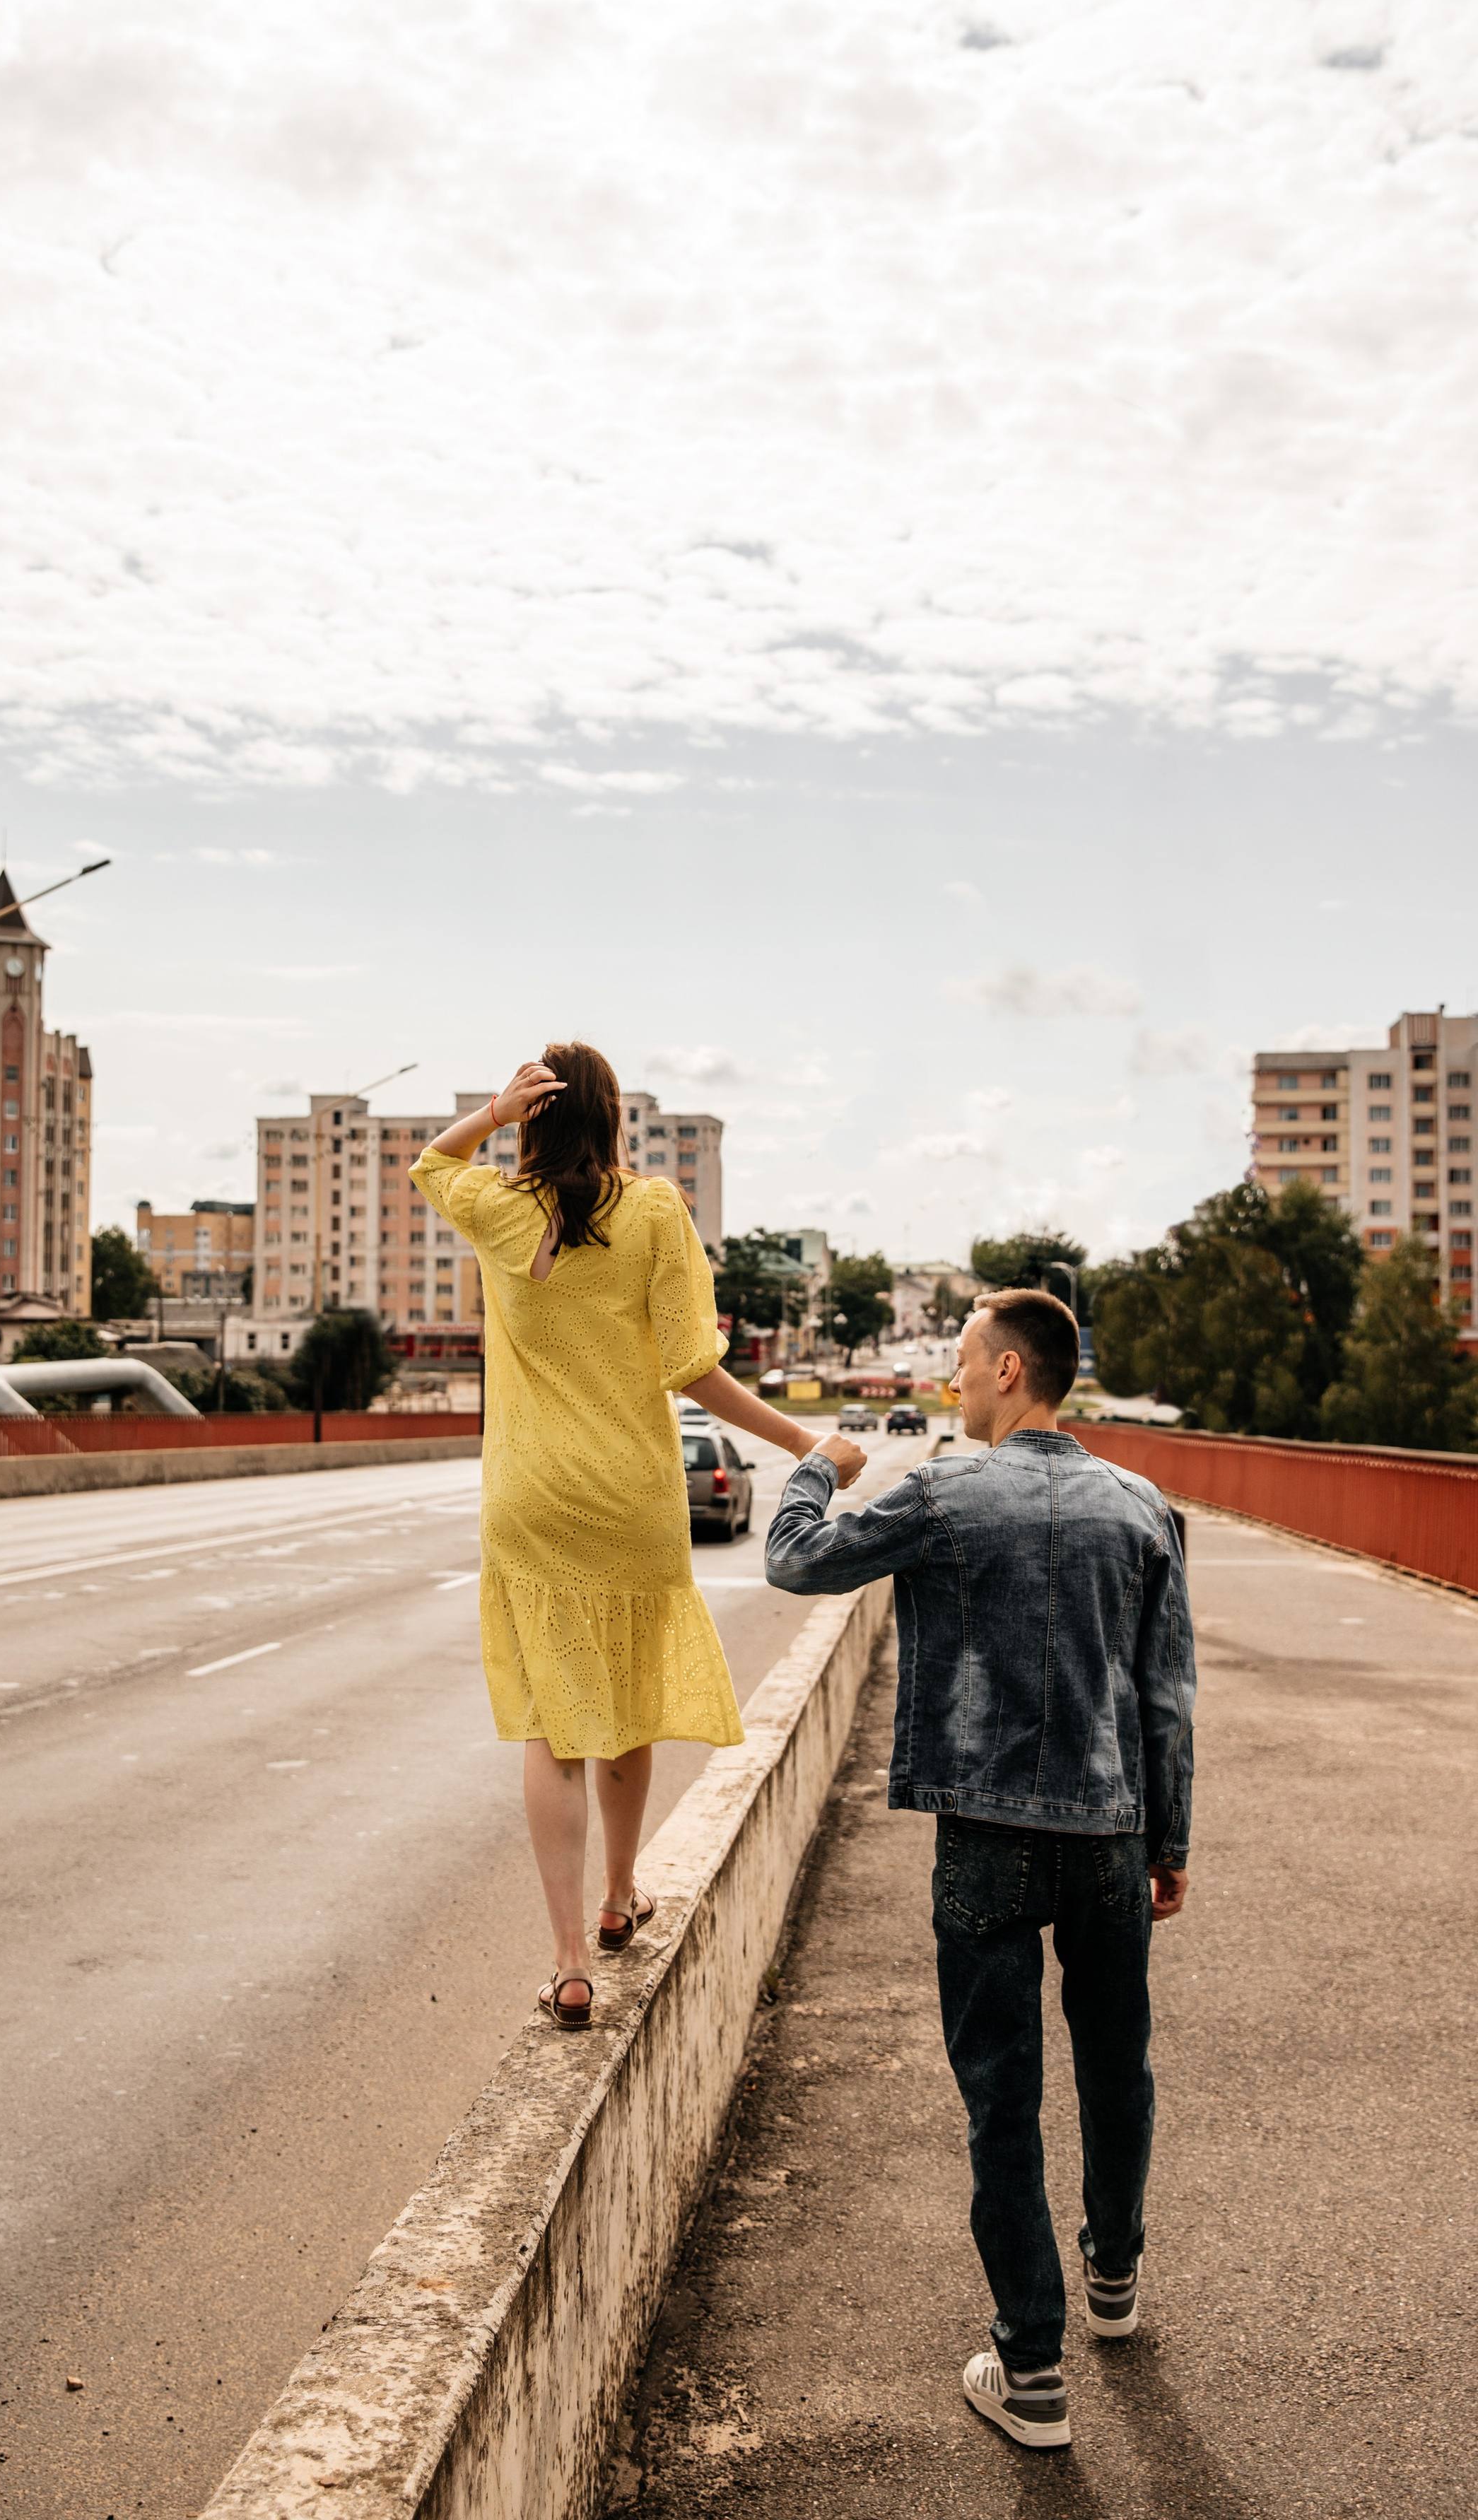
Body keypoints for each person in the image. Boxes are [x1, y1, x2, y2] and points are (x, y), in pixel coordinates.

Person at [764, 1288, 1195, 2451]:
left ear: (1011, 1372)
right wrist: (1171, 1842)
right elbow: (1166, 1697)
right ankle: (1115, 2279)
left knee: (1002, 2096)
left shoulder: (944, 1494)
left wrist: (817, 1461)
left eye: (962, 1361)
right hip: (1109, 1834)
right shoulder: (1145, 1507)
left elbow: (797, 1563)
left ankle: (1034, 2370)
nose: (951, 1381)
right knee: (1117, 2067)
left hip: (990, 1840)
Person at [412, 1046, 867, 2028]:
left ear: (537, 1119)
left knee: (553, 1723)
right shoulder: (653, 1211)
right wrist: (803, 1442)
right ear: (616, 1119)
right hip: (630, 1496)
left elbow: (429, 1166)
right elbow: (694, 1369)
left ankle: (570, 1959)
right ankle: (622, 1897)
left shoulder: (501, 1207)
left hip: (531, 1499)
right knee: (626, 1695)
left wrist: (490, 1114)